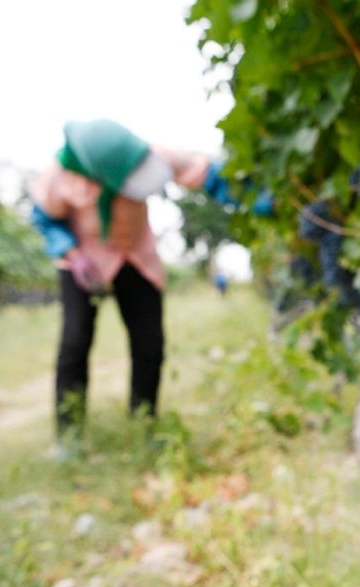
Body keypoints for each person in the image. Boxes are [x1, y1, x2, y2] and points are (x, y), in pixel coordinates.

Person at [29, 118, 262, 457]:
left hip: (136, 257)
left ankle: (143, 424)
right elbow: (45, 219)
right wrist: (69, 250)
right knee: (75, 343)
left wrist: (255, 196)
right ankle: (70, 435)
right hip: (85, 260)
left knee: (149, 343)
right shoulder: (57, 177)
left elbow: (208, 175)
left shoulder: (152, 158)